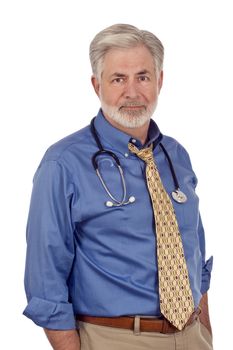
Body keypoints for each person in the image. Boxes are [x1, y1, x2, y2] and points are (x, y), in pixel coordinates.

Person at [23, 23, 213, 350]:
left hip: (191, 337)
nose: (133, 92)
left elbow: (193, 252)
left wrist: (205, 333)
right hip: (114, 338)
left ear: (160, 81)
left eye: (143, 76)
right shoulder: (63, 163)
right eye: (118, 79)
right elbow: (45, 279)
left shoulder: (176, 155)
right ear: (97, 85)